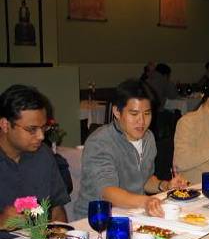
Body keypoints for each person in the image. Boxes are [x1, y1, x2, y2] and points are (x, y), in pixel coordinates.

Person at [73, 80, 187, 220]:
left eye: (147, 113)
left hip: (134, 214)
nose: (142, 121)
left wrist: (165, 185)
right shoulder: (100, 142)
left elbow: (143, 179)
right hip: (96, 219)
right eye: (134, 114)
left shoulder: (148, 138)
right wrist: (146, 201)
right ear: (117, 111)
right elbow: (107, 192)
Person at [0, 85, 69, 228]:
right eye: (32, 129)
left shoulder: (43, 155)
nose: (41, 136)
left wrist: (60, 236)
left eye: (43, 127)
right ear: (5, 125)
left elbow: (56, 210)